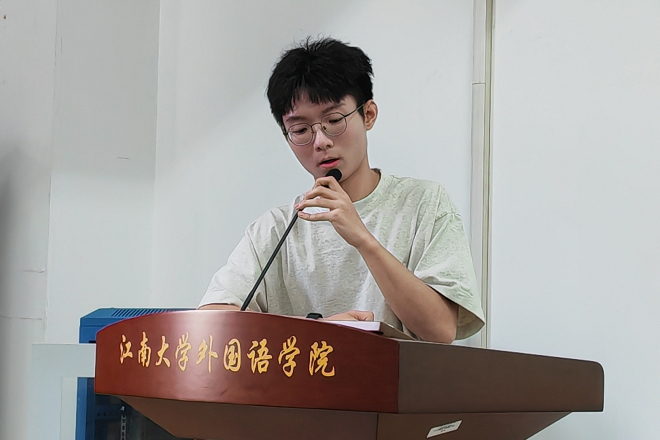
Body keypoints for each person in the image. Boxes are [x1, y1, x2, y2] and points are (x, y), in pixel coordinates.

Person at [198, 37, 484, 343]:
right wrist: (319, 329)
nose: (321, 142)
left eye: (334, 120)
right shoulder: (273, 229)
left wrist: (363, 239)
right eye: (300, 130)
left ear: (368, 115)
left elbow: (440, 330)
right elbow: (210, 323)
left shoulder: (424, 204)